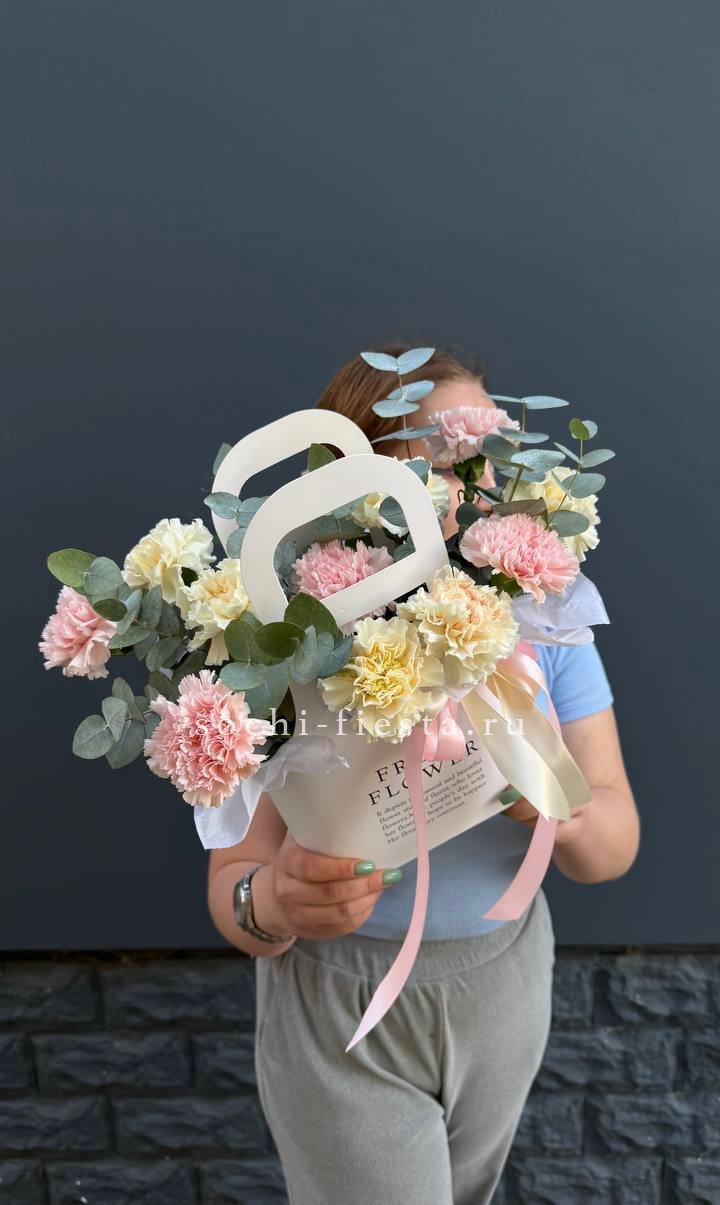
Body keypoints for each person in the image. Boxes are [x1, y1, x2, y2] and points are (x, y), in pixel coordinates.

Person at [207, 345, 639, 1205]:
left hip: (506, 980)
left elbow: (614, 843)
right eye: (440, 460)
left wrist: (556, 802)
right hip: (341, 991)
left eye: (488, 455)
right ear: (350, 490)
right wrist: (277, 901)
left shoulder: (544, 623)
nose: (474, 482)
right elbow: (233, 885)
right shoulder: (292, 647)